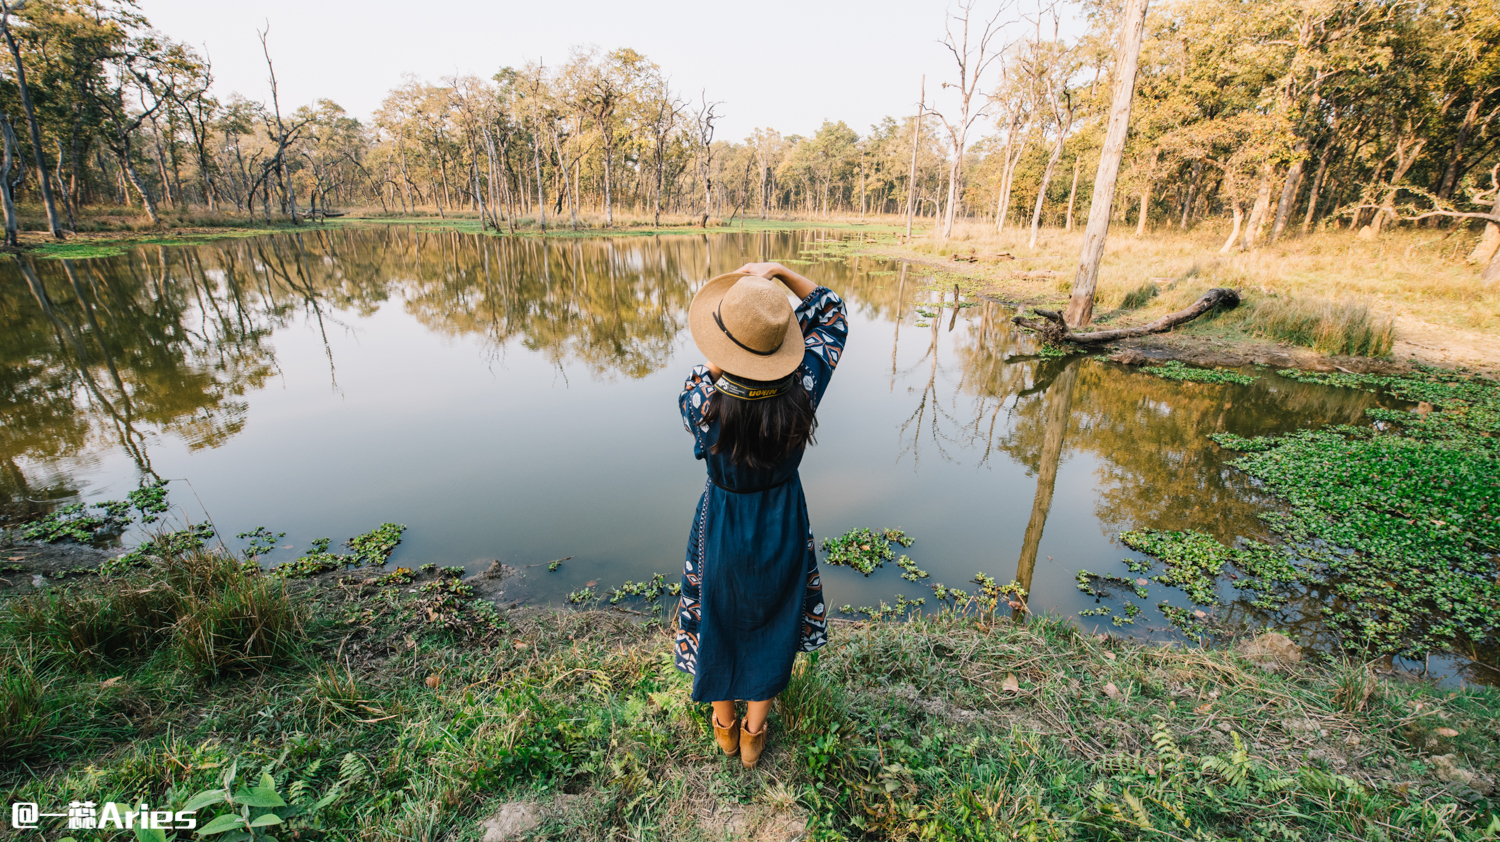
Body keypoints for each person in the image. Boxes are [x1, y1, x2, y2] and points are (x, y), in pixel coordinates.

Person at [674, 261, 847, 769]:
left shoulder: (701, 403)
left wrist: (728, 343)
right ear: (779, 348)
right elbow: (832, 314)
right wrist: (781, 274)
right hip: (782, 521)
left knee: (718, 619)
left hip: (722, 523)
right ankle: (753, 736)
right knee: (773, 621)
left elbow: (703, 370)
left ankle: (724, 730)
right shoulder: (804, 387)